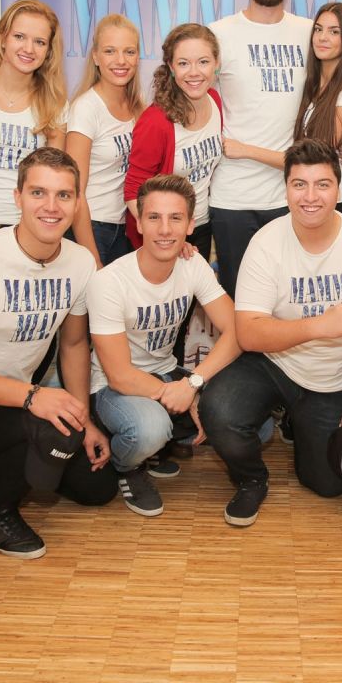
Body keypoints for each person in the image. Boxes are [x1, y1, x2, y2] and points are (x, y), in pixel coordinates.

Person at [0, 148, 116, 560]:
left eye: (64, 195)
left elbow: (74, 345)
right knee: (49, 433)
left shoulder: (80, 262)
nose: (51, 206)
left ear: (77, 204)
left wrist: (83, 418)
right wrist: (32, 397)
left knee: (97, 488)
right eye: (38, 193)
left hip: (18, 403)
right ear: (17, 197)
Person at [199, 140, 342, 526]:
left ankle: (299, 423)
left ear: (337, 188)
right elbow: (248, 334)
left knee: (327, 484)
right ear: (286, 188)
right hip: (273, 365)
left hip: (331, 378)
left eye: (322, 184)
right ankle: (251, 479)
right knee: (218, 409)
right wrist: (316, 326)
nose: (310, 196)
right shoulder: (266, 242)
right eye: (299, 184)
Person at [88, 174, 241, 517]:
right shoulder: (109, 282)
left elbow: (237, 331)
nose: (165, 229)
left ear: (190, 225)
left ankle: (158, 445)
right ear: (139, 222)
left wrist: (193, 383)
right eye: (154, 217)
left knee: (246, 422)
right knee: (150, 430)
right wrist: (183, 394)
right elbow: (119, 375)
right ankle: (129, 465)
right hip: (113, 387)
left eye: (175, 218)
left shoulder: (192, 263)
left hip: (167, 372)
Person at [208, 0, 313, 295]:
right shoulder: (218, 35)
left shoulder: (311, 34)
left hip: (292, 199)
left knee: (288, 305)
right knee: (238, 306)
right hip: (232, 198)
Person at [0, 0, 68, 242]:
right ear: (3, 39)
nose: (28, 49)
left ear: (49, 51)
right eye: (19, 37)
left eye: (39, 42)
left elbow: (53, 177)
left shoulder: (55, 104)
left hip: (25, 228)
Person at [124, 23, 223, 258]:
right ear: (171, 67)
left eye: (203, 62)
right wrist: (167, 235)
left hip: (201, 225)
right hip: (162, 235)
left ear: (216, 63)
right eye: (183, 63)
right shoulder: (156, 121)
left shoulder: (215, 100)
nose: (194, 72)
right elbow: (133, 192)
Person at [66, 13, 145, 267]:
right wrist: (92, 258)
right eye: (110, 51)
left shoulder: (138, 108)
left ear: (138, 57)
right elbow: (74, 191)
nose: (121, 61)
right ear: (96, 57)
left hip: (124, 229)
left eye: (129, 52)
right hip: (90, 228)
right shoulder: (86, 109)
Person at [293, 2, 342, 215]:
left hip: (335, 202)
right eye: (318, 29)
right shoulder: (313, 85)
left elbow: (316, 155)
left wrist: (247, 151)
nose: (322, 37)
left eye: (334, 32)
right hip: (313, 197)